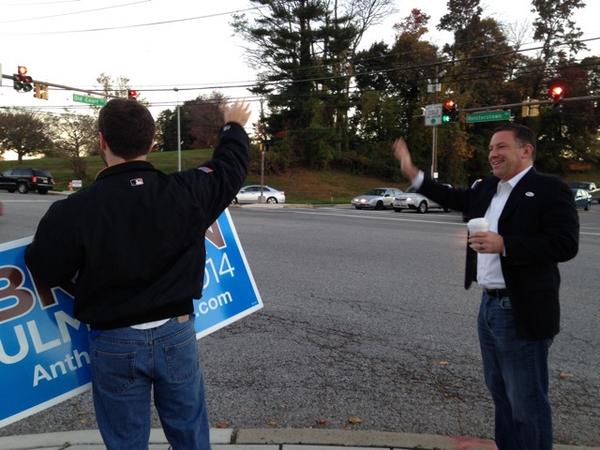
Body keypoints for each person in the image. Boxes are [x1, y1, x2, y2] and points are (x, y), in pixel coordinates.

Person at [25, 98, 251, 450]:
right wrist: (232, 127)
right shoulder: (187, 191)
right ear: (152, 141)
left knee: (126, 442)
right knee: (191, 436)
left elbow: (44, 268)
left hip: (114, 341)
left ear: (102, 141)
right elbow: (230, 167)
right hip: (177, 333)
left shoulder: (73, 211)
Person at [393, 123, 579, 450]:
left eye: (501, 147)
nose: (493, 154)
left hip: (522, 308)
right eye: (491, 148)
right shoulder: (488, 187)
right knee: (501, 395)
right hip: (489, 306)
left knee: (526, 401)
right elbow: (452, 197)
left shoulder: (550, 189)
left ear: (526, 150)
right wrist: (413, 172)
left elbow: (565, 244)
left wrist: (505, 244)